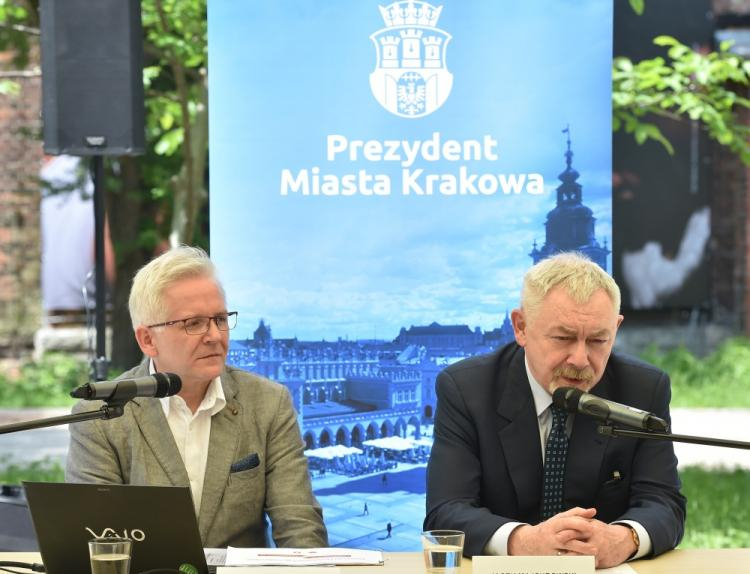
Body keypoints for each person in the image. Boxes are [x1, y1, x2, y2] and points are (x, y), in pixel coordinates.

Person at [424, 252, 686, 569]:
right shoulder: (467, 389)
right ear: (521, 327)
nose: (579, 359)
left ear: (615, 329)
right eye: (563, 338)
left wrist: (623, 539)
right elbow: (446, 509)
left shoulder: (644, 389)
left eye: (598, 340)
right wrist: (522, 541)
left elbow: (664, 504)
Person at [66, 246, 328, 549]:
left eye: (219, 319)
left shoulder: (269, 403)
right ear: (148, 339)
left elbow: (300, 526)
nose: (215, 335)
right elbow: (96, 540)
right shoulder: (101, 415)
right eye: (194, 323)